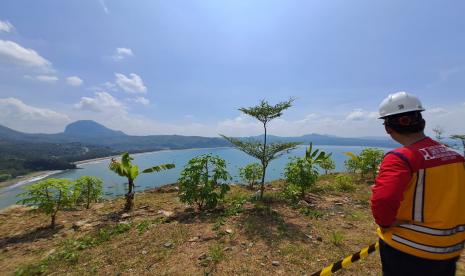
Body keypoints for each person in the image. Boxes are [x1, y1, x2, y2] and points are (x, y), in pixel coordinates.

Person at [371, 91, 465, 276]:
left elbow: (383, 199)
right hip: (452, 247)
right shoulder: (456, 156)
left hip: (409, 249)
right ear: (422, 122)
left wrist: (386, 223)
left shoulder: (400, 158)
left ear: (388, 128)